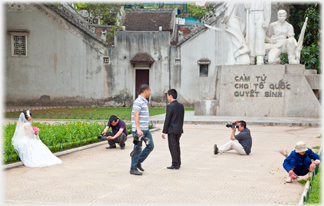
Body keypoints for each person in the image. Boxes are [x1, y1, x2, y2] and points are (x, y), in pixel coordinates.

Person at [130, 84, 154, 175]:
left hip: (145, 129)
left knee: (150, 146)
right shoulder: (138, 101)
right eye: (150, 91)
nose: (150, 93)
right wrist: (138, 129)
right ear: (145, 91)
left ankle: (138, 161)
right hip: (139, 130)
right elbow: (136, 116)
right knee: (137, 148)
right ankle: (133, 168)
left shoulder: (144, 101)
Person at [162, 89, 185, 169]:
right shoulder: (181, 106)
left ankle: (175, 164)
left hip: (172, 130)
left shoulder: (170, 106)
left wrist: (164, 131)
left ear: (171, 96)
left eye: (167, 96)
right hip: (179, 129)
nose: (167, 98)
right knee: (177, 146)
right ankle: (178, 162)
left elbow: (167, 119)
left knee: (172, 147)